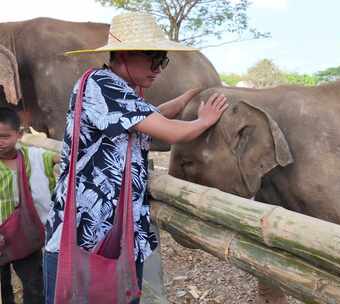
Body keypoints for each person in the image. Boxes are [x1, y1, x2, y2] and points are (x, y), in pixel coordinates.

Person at [42, 12, 228, 304]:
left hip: (113, 230)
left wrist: (183, 101)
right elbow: (168, 131)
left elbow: (147, 117)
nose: (159, 69)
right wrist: (204, 121)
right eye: (154, 59)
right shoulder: (101, 84)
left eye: (163, 61)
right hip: (87, 231)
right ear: (126, 54)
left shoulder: (121, 91)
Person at [0, 107, 59, 304]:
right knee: (2, 289)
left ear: (20, 134)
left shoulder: (30, 156)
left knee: (34, 284)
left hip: (24, 234)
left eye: (5, 136)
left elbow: (54, 157)